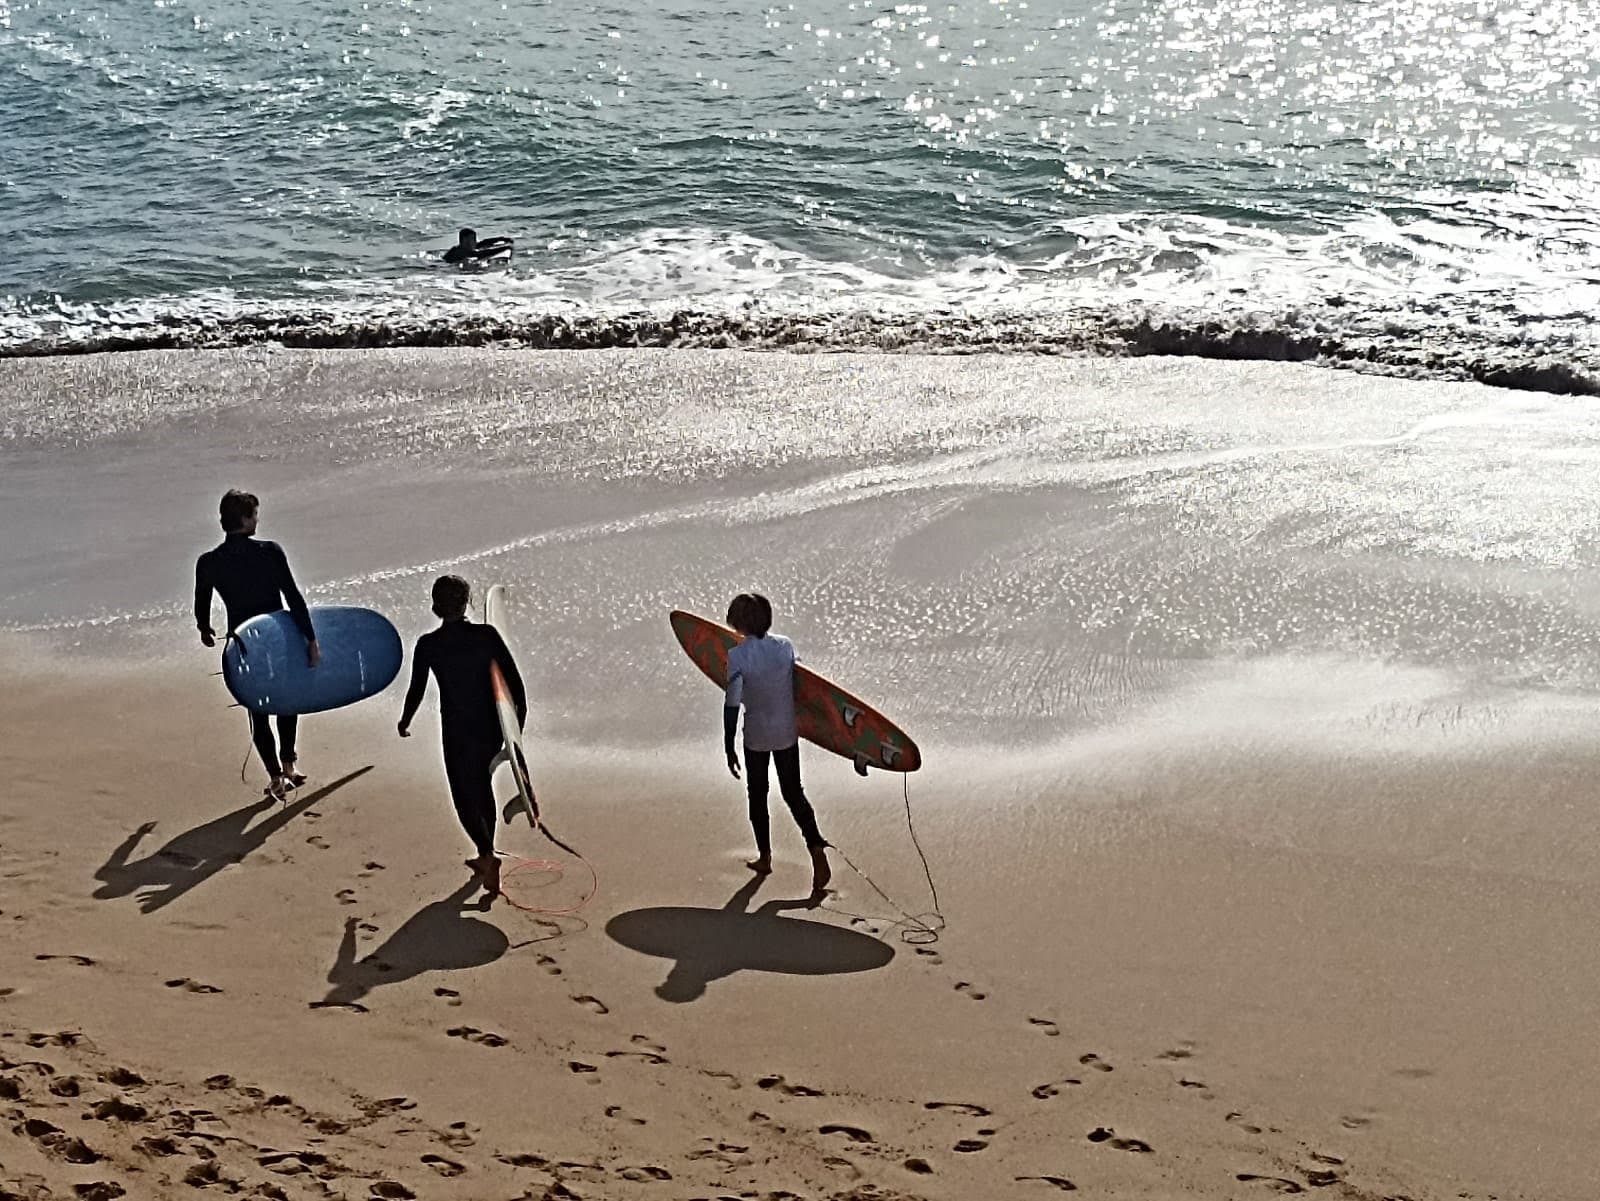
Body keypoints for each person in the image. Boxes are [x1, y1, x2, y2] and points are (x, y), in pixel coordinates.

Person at [397, 575, 527, 898]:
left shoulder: (428, 645)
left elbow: (416, 690)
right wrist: (515, 733)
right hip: (489, 728)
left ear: (434, 607)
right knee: (482, 788)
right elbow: (515, 685)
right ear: (468, 602)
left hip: (456, 730)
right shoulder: (486, 636)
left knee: (462, 795)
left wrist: (405, 720)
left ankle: (486, 854)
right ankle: (487, 851)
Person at [195, 490, 321, 801]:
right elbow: (292, 597)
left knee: (258, 709)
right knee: (286, 700)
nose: (257, 519)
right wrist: (310, 637)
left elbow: (202, 603)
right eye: (254, 514)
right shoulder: (270, 552)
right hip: (279, 637)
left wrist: (204, 628)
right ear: (246, 519)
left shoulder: (209, 562)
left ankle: (277, 777)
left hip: (245, 642)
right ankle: (289, 765)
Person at [723, 593, 830, 892]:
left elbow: (732, 704)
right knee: (794, 793)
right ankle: (816, 847)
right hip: (785, 732)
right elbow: (802, 685)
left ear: (739, 623)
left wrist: (728, 743)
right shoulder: (784, 646)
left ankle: (765, 858)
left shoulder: (737, 657)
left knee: (757, 795)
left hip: (756, 735)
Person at [442, 227, 514, 266]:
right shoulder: (460, 251)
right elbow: (481, 254)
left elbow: (484, 243)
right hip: (442, 267)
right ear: (464, 240)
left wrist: (502, 239)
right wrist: (504, 248)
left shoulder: (465, 248)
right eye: (473, 239)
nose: (475, 241)